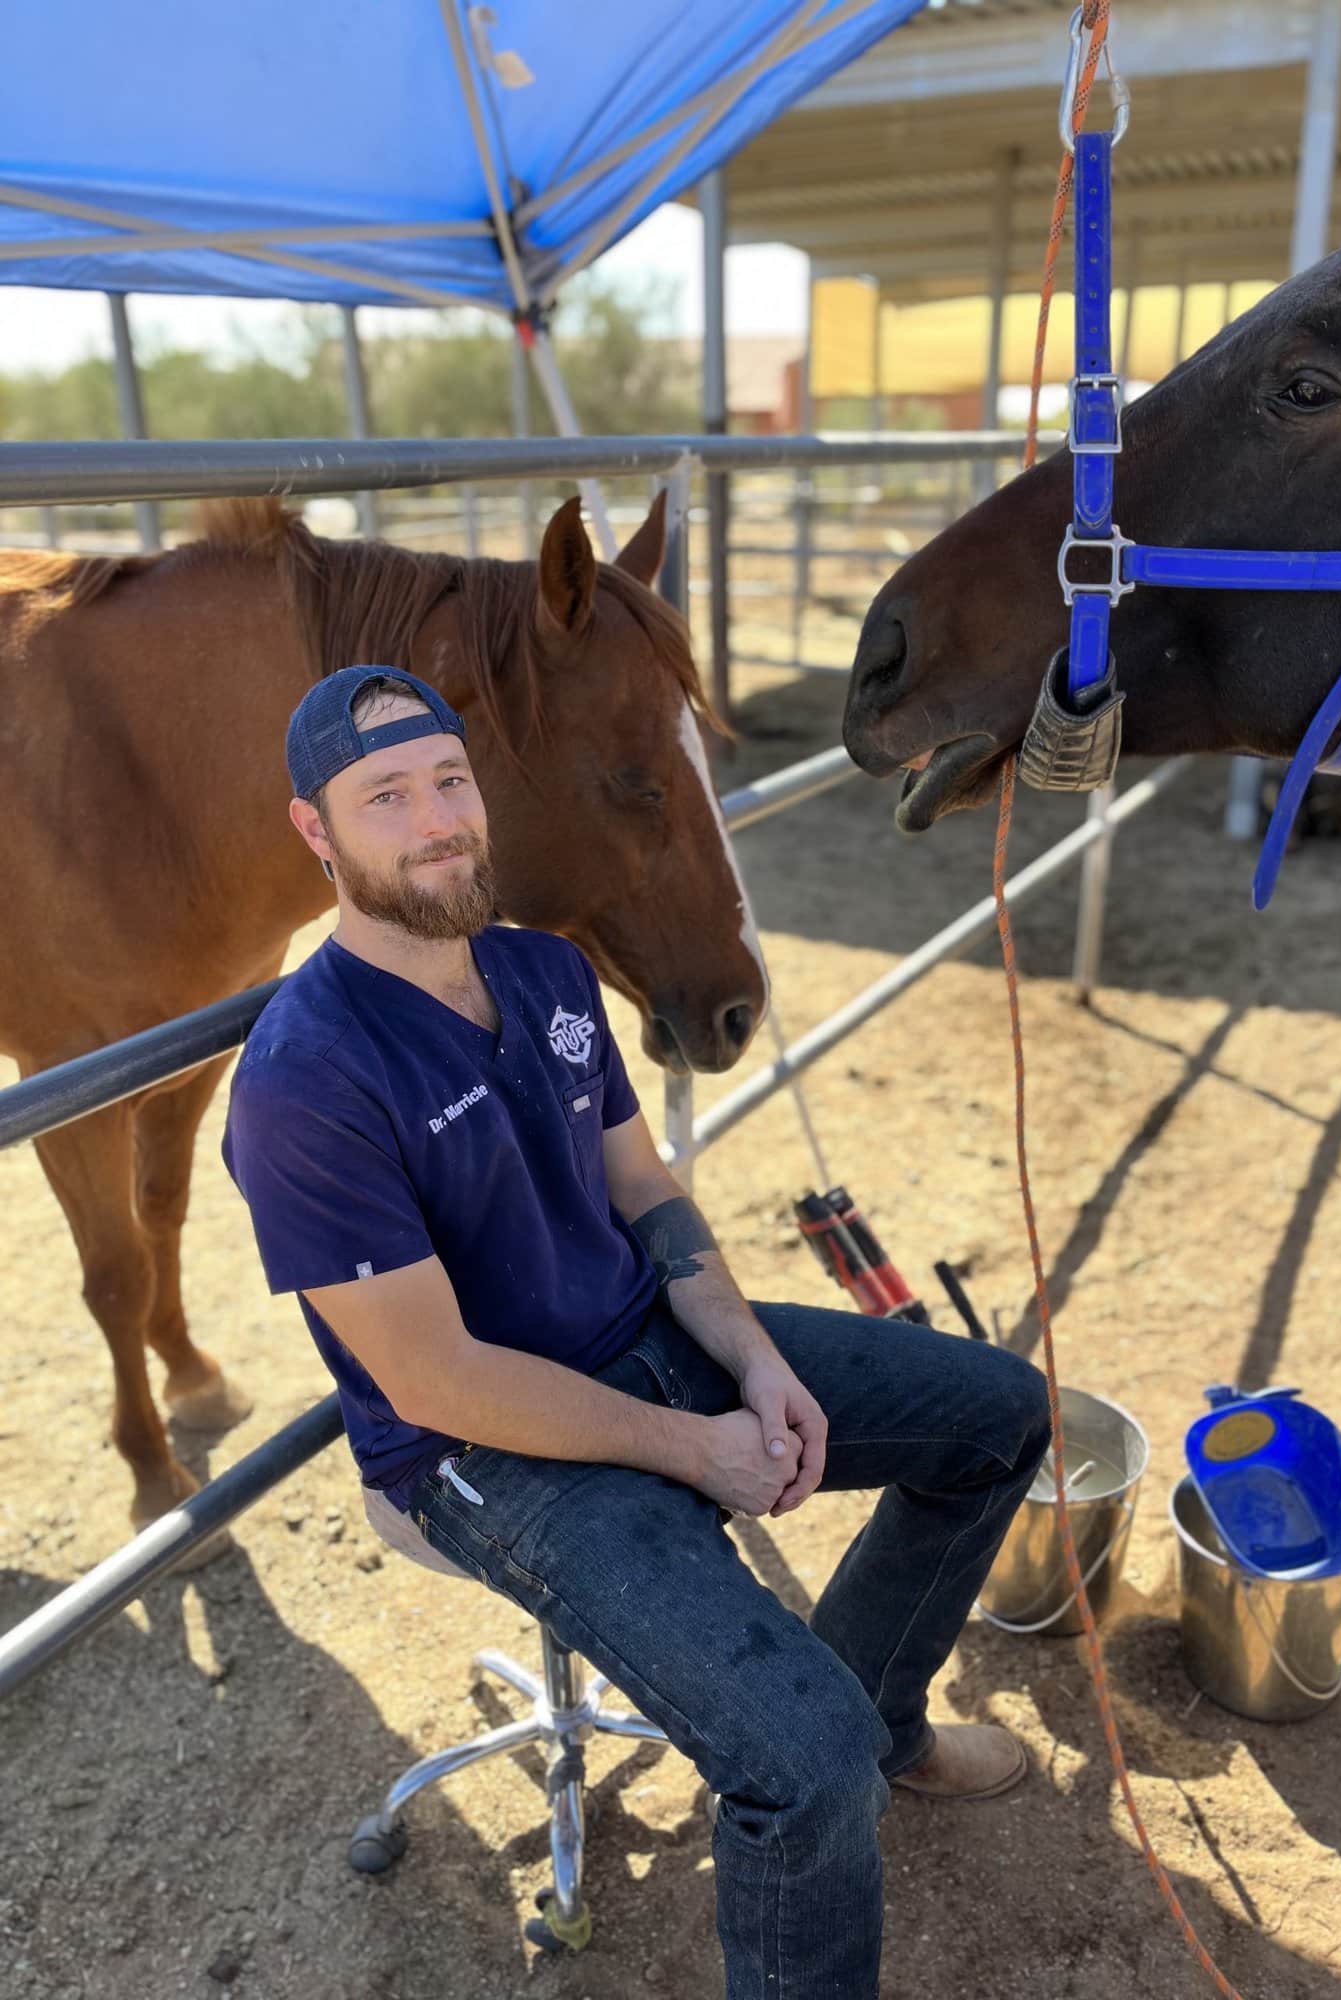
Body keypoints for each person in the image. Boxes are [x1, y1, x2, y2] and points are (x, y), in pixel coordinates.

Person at [224, 663, 1051, 1999]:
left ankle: (884, 1711)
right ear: (315, 833)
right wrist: (697, 1448)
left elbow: (650, 1191)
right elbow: (438, 1376)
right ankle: (844, 1749)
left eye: (451, 780)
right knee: (801, 1761)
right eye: (386, 797)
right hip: (479, 1449)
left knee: (1000, 1414)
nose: (439, 821)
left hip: (646, 1338)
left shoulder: (545, 969)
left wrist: (758, 1360)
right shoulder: (304, 1080)